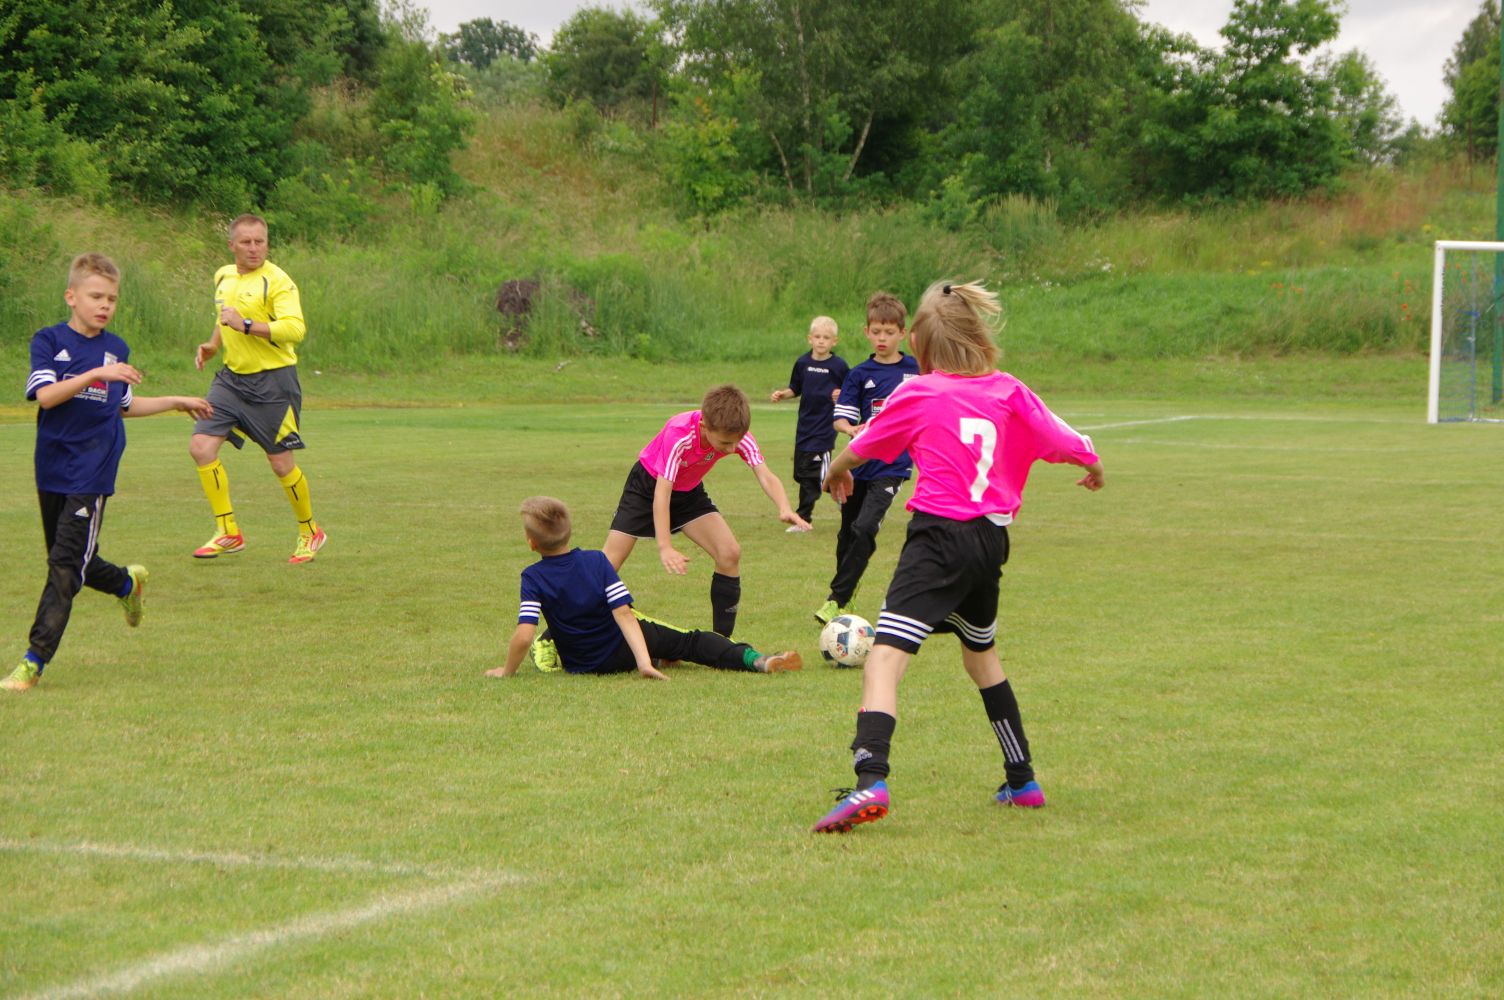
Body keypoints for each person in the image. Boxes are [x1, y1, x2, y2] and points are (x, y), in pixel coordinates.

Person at [811, 280, 1105, 833]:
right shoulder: (1009, 389)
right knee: (981, 657)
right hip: (990, 542)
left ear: (918, 342)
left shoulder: (919, 392)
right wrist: (1093, 465)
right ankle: (1022, 779)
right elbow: (1065, 437)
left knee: (884, 658)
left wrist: (836, 473)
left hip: (938, 539)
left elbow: (863, 443)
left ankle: (871, 778)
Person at [4, 253, 213, 693]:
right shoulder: (49, 340)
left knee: (65, 567)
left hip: (93, 470)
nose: (105, 305)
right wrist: (95, 372)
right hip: (52, 466)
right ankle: (125, 583)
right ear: (71, 296)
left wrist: (175, 401)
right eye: (96, 296)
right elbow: (46, 396)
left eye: (112, 299)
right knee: (73, 560)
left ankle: (33, 661)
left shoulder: (116, 349)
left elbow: (123, 406)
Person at [530, 385, 809, 672]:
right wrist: (665, 546)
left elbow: (765, 474)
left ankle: (723, 643)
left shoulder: (738, 434)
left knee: (729, 553)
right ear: (705, 426)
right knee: (605, 568)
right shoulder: (680, 433)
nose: (731, 449)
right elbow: (661, 495)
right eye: (725, 443)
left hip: (688, 493)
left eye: (735, 442)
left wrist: (784, 507)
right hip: (646, 488)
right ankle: (548, 638)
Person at [487, 497, 802, 678]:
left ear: (531, 543)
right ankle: (755, 659)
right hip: (623, 651)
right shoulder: (596, 561)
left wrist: (506, 671)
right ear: (569, 532)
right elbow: (624, 614)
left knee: (555, 633)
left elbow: (525, 634)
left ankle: (661, 656)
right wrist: (642, 662)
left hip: (583, 664)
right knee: (690, 641)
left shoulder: (533, 577)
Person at [189, 213, 325, 564]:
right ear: (231, 245)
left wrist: (247, 325)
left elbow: (295, 329)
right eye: (246, 242)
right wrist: (213, 344)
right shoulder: (223, 275)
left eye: (260, 242)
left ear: (267, 243)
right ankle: (228, 531)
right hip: (231, 380)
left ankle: (310, 530)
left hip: (273, 383)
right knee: (201, 447)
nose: (254, 248)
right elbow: (225, 316)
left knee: (281, 464)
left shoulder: (278, 281)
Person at [812, 292, 920, 625]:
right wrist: (851, 428)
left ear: (902, 333)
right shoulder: (859, 374)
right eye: (876, 332)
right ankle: (847, 594)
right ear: (867, 332)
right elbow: (841, 418)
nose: (882, 338)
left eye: (889, 332)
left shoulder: (917, 371)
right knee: (847, 534)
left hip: (893, 466)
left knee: (865, 528)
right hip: (857, 466)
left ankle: (836, 599)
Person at [770, 315, 849, 531]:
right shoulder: (803, 363)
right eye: (818, 336)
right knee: (801, 473)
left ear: (834, 341)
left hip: (825, 429)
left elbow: (850, 391)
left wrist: (841, 395)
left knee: (811, 476)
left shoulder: (839, 366)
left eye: (826, 337)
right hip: (805, 427)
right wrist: (783, 394)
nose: (821, 341)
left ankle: (803, 518)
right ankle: (847, 497)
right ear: (810, 339)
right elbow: (795, 388)